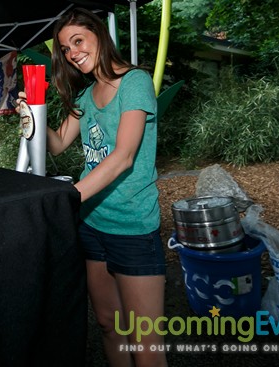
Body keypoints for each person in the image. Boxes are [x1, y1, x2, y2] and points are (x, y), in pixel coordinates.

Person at [19, 8, 168, 367]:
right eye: (66, 48)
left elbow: (123, 156)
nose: (72, 53)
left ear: (99, 36)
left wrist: (70, 198)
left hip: (132, 227)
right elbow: (56, 144)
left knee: (145, 343)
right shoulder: (85, 97)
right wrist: (32, 114)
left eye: (78, 41)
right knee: (108, 325)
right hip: (92, 225)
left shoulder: (135, 81)